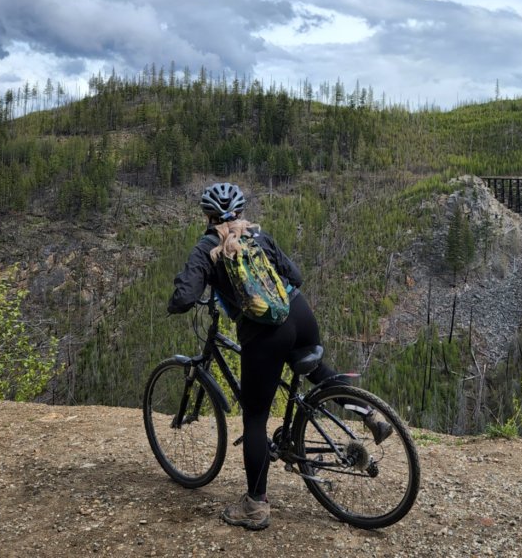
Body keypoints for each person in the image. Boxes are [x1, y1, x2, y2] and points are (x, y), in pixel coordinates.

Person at [167, 182, 391, 531]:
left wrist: (177, 302)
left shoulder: (206, 248)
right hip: (299, 314)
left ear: (207, 216)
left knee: (255, 419)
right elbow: (296, 276)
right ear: (239, 212)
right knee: (316, 370)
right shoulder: (259, 235)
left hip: (265, 332)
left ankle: (255, 506)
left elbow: (184, 298)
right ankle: (368, 413)